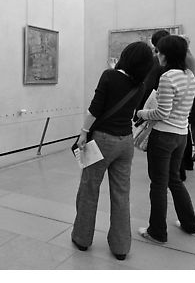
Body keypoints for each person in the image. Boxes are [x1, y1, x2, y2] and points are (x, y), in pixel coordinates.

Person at [72, 41, 153, 261]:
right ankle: (121, 246)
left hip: (101, 140)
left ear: (126, 56)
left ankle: (82, 238)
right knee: (121, 195)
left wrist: (83, 132)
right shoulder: (141, 86)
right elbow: (124, 94)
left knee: (89, 189)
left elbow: (95, 108)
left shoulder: (108, 76)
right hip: (126, 142)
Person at [135, 35, 195, 244]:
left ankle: (157, 231)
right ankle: (191, 225)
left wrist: (142, 113)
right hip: (181, 135)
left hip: (163, 136)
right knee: (174, 180)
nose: (157, 54)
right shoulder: (189, 75)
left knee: (158, 184)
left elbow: (162, 112)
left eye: (159, 51)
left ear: (166, 54)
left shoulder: (167, 77)